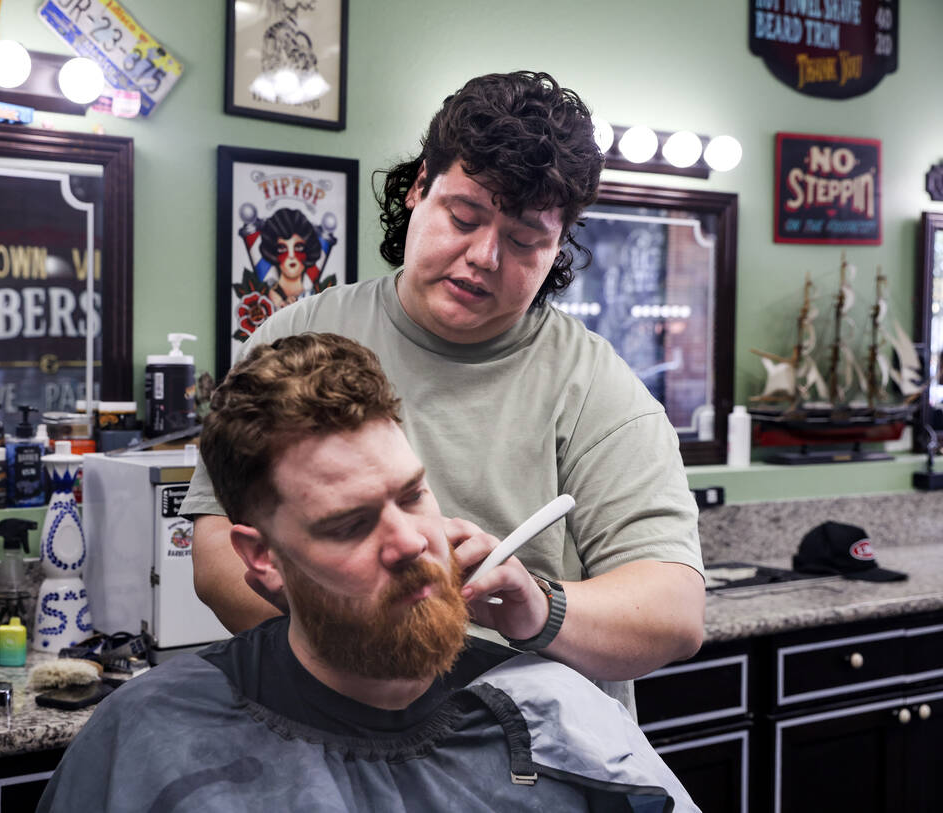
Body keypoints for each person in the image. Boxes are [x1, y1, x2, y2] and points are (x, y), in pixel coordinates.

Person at [185, 71, 705, 716]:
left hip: (525, 750)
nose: (484, 255)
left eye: (524, 240)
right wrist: (365, 637)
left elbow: (674, 614)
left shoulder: (597, 388)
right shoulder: (296, 335)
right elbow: (216, 553)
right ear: (418, 189)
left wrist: (537, 606)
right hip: (326, 726)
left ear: (558, 247)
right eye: (464, 217)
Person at [38, 333, 697, 812]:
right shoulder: (147, 739)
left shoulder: (557, 714)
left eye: (412, 494)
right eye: (350, 524)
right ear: (261, 557)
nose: (412, 541)